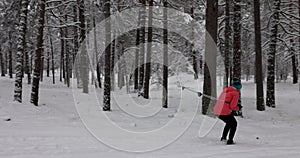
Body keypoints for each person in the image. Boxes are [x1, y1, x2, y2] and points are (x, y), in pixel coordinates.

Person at [213, 78, 242, 145]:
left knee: (229, 123)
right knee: (234, 124)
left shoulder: (226, 90)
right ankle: (230, 140)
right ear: (238, 88)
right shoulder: (235, 94)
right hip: (224, 112)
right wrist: (238, 107)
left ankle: (223, 137)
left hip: (218, 110)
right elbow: (232, 106)